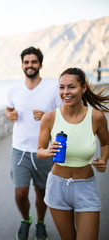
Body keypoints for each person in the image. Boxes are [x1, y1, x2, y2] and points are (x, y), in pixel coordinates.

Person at [37, 67, 109, 240]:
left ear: (83, 88)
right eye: (61, 87)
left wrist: (104, 160)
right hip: (57, 187)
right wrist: (46, 151)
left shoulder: (96, 117)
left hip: (86, 187)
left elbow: (106, 143)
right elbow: (39, 151)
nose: (65, 92)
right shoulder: (50, 118)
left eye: (71, 87)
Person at [5, 46, 62, 240]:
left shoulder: (53, 88)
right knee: (21, 193)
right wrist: (9, 114)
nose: (30, 65)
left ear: (40, 64)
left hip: (45, 150)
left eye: (33, 62)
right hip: (19, 150)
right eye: (26, 62)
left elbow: (64, 115)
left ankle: (40, 222)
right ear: (22, 65)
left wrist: (47, 116)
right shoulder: (14, 89)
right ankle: (26, 219)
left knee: (42, 191)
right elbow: (8, 108)